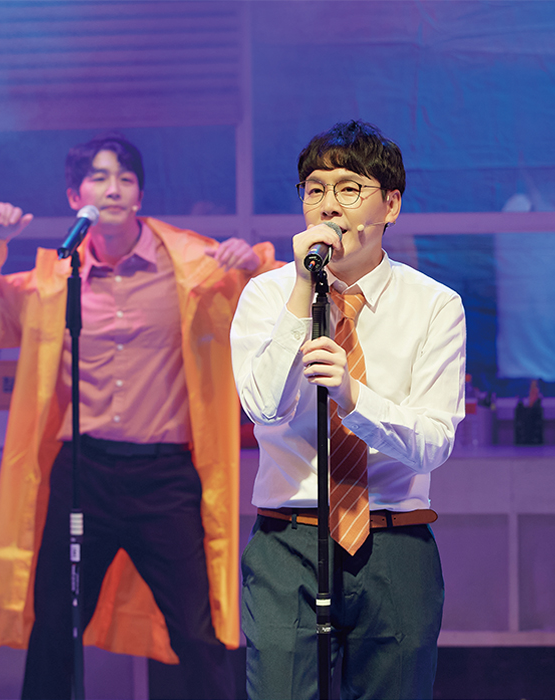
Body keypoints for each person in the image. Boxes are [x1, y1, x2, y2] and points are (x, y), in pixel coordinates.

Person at [0, 134, 281, 699]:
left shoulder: (193, 268)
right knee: (55, 628)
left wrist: (253, 264)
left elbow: (279, 308)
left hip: (165, 477)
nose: (113, 188)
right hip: (83, 473)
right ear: (76, 197)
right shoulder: (55, 280)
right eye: (98, 178)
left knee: (198, 635)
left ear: (139, 193)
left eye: (125, 178)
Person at [230, 120, 466, 699]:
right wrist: (300, 292)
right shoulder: (266, 295)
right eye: (315, 189)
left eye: (349, 188)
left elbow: (435, 442)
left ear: (391, 205)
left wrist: (353, 398)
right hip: (287, 538)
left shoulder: (435, 305)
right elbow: (262, 408)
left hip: (394, 541)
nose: (329, 205)